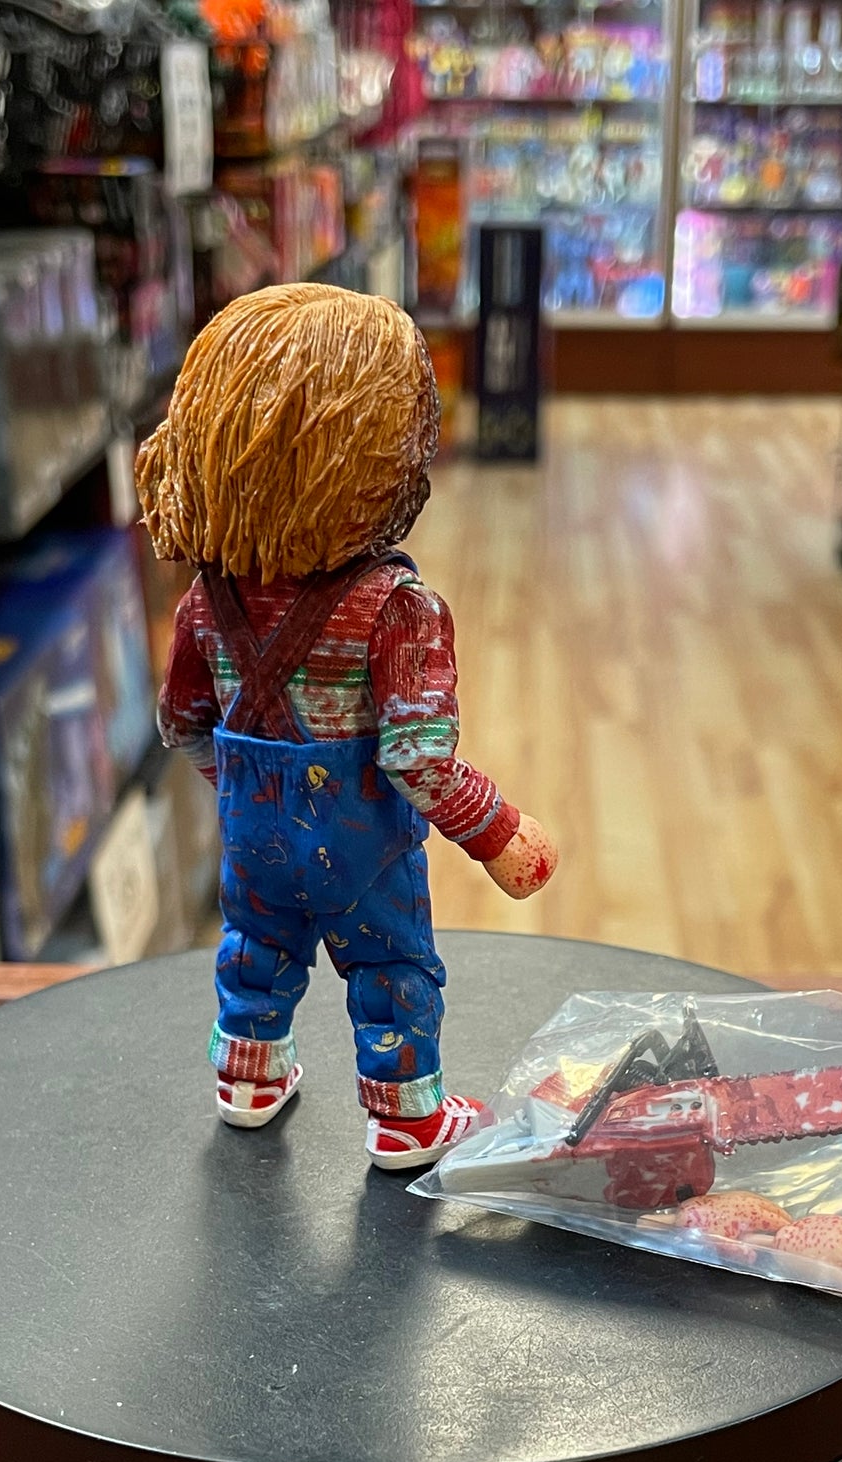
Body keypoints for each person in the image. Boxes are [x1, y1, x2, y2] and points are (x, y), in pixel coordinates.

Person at [135, 283, 557, 1168]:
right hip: (363, 845)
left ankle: (247, 1080)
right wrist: (500, 832)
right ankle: (407, 1117)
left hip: (254, 833)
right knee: (391, 967)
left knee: (255, 947)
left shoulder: (206, 603)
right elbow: (417, 760)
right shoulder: (398, 608)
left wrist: (247, 788)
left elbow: (181, 722)